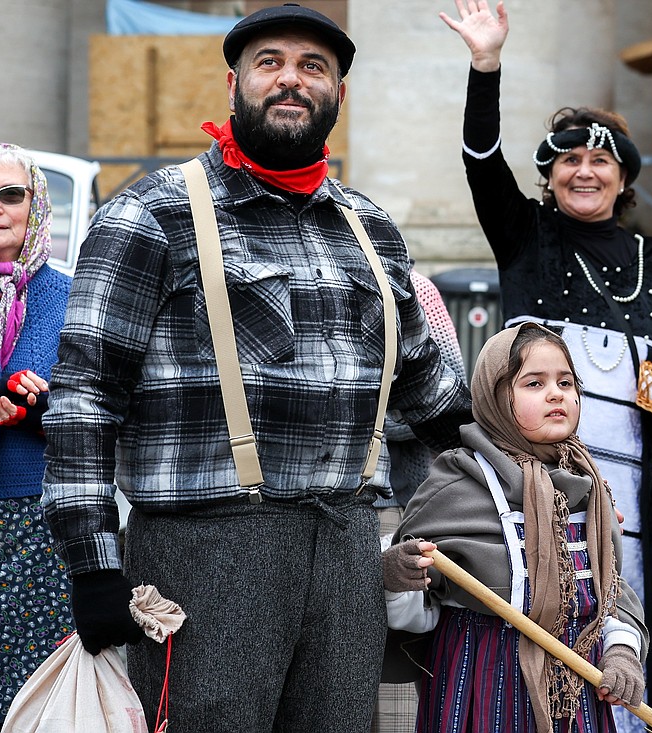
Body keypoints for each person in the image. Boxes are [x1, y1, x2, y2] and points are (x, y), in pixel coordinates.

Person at [41, 5, 472, 731]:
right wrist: (93, 566)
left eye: (314, 67)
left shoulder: (371, 229)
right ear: (233, 83)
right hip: (204, 553)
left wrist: (534, 472)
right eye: (270, 62)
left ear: (339, 94)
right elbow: (85, 397)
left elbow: (434, 396)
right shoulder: (150, 215)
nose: (291, 80)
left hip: (342, 548)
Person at [439, 2, 652, 721]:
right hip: (533, 494)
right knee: (543, 669)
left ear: (624, 177)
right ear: (550, 176)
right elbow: (481, 161)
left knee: (629, 666)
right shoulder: (526, 235)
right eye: (569, 160)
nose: (585, 171)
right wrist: (485, 65)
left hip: (632, 508)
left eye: (601, 159)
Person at [382, 322, 647, 733]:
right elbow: (420, 608)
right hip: (481, 675)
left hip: (573, 688)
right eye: (534, 384)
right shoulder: (457, 484)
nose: (556, 393)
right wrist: (398, 579)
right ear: (495, 398)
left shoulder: (588, 487)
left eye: (565, 382)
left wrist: (621, 651)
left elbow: (608, 593)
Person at [0, 143, 73, 733]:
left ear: (36, 206)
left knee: (36, 685)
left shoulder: (70, 293)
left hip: (43, 515)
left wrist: (42, 407)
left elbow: (100, 400)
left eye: (11, 195)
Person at [372, 267, 467, 733]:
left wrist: (359, 413)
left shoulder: (414, 287)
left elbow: (449, 395)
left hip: (401, 501)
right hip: (305, 508)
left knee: (398, 662)